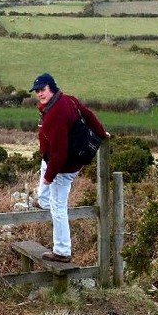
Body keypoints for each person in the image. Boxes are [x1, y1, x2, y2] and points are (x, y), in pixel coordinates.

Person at [31, 72, 110, 262]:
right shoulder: (68, 100)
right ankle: (42, 200)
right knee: (45, 164)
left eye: (43, 90)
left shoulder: (55, 115)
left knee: (58, 207)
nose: (39, 94)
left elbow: (59, 153)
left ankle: (62, 250)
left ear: (52, 88)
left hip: (64, 167)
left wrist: (49, 178)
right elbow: (89, 115)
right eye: (37, 91)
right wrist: (101, 133)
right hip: (69, 160)